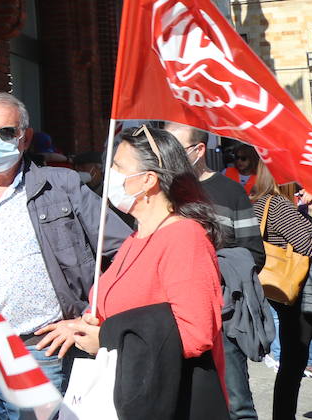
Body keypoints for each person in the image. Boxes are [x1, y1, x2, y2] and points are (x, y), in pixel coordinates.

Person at [0, 92, 130, 420]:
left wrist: (91, 314)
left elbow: (128, 252)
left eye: (7, 132)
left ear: (25, 137)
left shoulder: (61, 187)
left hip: (42, 352)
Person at [39, 125, 228, 418]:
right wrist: (81, 324)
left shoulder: (184, 237)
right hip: (129, 395)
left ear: (148, 180)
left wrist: (107, 338)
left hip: (171, 403)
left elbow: (195, 333)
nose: (109, 172)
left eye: (118, 166)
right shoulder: (135, 236)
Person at [165, 122, 268, 420]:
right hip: (172, 317)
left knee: (237, 404)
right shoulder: (163, 192)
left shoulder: (230, 191)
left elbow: (254, 254)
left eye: (176, 148)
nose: (168, 155)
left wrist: (209, 268)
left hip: (222, 317)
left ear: (198, 151)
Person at [251, 161, 312, 420]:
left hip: (273, 286)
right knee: (295, 361)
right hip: (294, 289)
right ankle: (284, 416)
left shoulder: (257, 202)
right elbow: (309, 247)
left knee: (291, 361)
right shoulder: (280, 205)